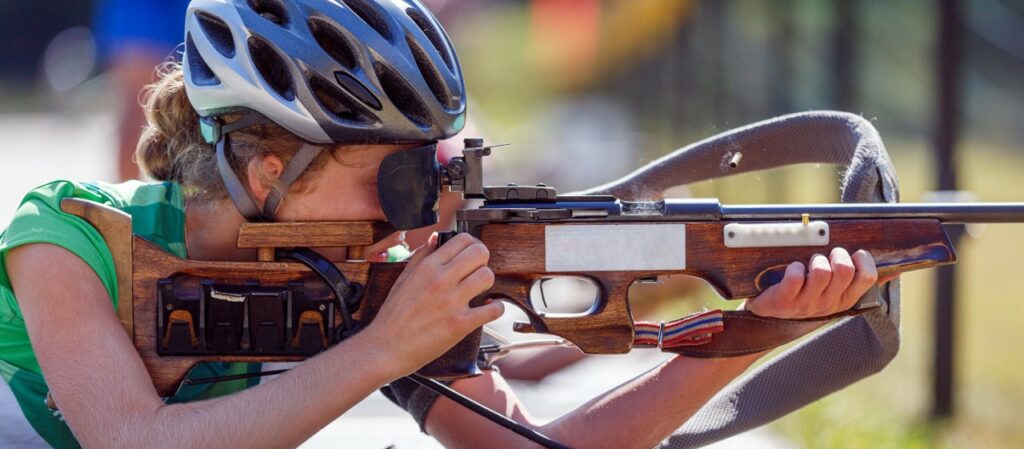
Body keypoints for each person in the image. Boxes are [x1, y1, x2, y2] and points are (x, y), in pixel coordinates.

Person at [0, 1, 882, 447]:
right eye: (394, 175)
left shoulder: (366, 274)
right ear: (272, 168)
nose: (416, 206)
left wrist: (750, 332)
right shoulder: (68, 236)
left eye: (430, 171)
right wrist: (382, 348)